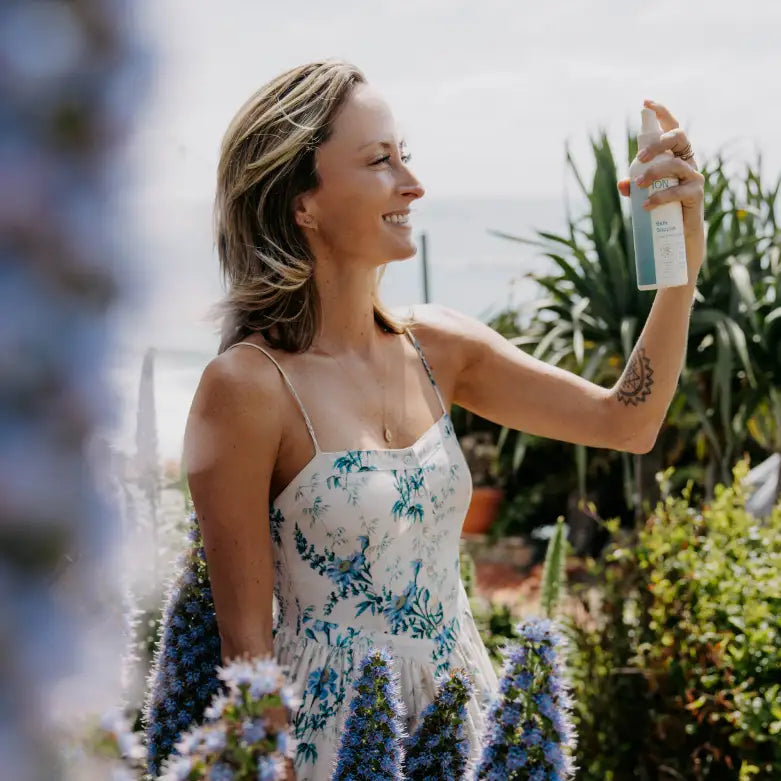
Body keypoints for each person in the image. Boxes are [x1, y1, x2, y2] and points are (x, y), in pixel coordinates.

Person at [183, 59, 705, 780]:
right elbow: (246, 654)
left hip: (465, 721)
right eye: (378, 160)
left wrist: (680, 271)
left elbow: (627, 421)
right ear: (302, 202)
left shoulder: (439, 349)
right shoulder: (245, 386)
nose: (412, 182)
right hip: (333, 748)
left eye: (405, 155)